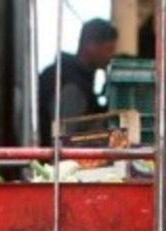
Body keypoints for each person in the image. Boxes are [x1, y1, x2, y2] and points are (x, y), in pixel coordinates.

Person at [37, 17, 119, 146]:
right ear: (91, 46)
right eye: (109, 49)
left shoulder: (74, 77)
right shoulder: (73, 84)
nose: (111, 56)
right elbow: (62, 140)